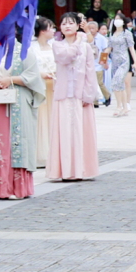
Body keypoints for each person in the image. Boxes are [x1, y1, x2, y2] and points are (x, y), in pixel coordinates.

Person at [0, 19, 48, 200]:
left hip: (17, 100)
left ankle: (15, 187)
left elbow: (33, 77)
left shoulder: (23, 51)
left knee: (14, 141)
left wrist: (11, 80)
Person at [48, 13, 101, 182]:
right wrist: (78, 41)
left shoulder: (86, 48)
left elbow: (90, 71)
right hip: (63, 95)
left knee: (81, 132)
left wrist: (88, 95)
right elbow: (66, 57)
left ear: (78, 25)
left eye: (71, 23)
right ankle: (64, 170)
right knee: (63, 132)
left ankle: (82, 169)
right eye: (64, 24)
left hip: (80, 95)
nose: (67, 26)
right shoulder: (57, 45)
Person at [107, 18, 136, 117]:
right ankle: (125, 107)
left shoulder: (127, 33)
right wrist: (102, 58)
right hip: (114, 61)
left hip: (124, 61)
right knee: (119, 84)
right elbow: (109, 48)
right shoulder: (112, 34)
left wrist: (135, 62)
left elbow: (131, 48)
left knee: (117, 81)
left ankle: (119, 106)